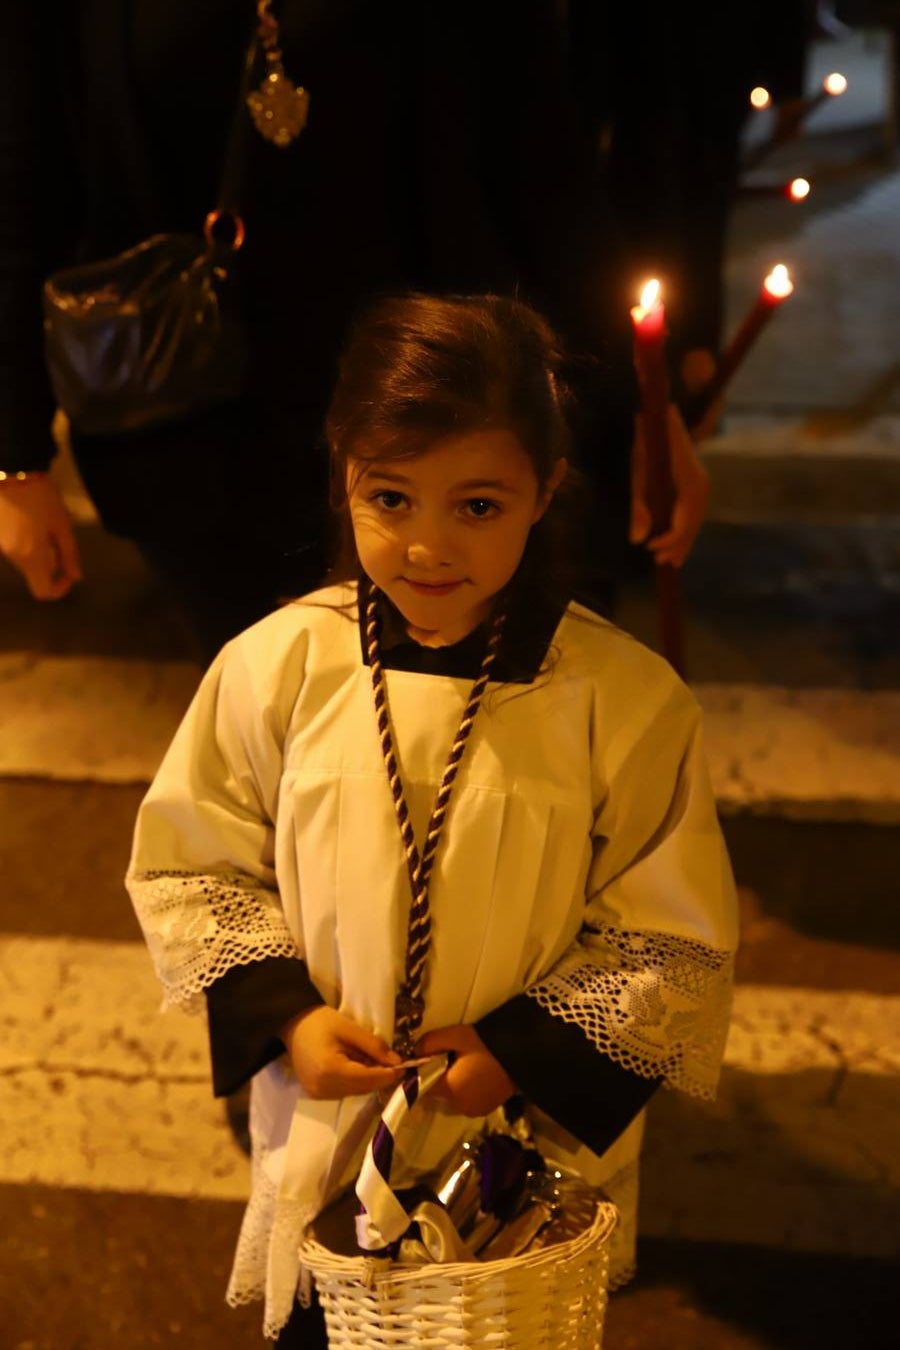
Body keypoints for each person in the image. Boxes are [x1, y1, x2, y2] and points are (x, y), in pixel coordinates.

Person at [125, 292, 739, 1346]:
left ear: (545, 492)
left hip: (512, 1151)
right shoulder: (278, 668)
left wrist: (522, 1052)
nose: (426, 547)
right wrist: (291, 1018)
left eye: (479, 506)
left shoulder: (619, 701)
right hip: (331, 1116)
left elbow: (670, 940)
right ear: (343, 475)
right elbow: (193, 867)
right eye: (392, 498)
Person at [1, 1, 710, 659]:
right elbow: (24, 191)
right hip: (192, 443)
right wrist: (16, 460)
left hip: (441, 428)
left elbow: (550, 183)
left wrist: (647, 406)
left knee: (459, 752)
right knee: (283, 745)